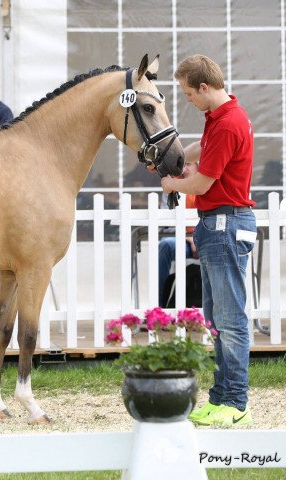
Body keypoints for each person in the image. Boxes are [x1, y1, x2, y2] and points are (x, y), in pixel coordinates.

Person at [162, 54, 256, 427]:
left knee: (229, 320)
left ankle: (236, 402)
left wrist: (172, 183)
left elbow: (201, 184)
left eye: (188, 94)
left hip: (225, 224)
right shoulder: (222, 117)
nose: (188, 100)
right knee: (217, 317)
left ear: (204, 87)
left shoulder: (228, 123)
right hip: (220, 224)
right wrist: (174, 158)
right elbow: (202, 152)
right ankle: (221, 399)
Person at [158, 160, 198, 306]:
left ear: (198, 166)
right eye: (182, 164)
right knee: (165, 245)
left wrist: (197, 238)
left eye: (188, 164)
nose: (184, 168)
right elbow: (165, 223)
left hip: (207, 239)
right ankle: (159, 308)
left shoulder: (206, 184)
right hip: (181, 241)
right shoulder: (171, 186)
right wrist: (188, 237)